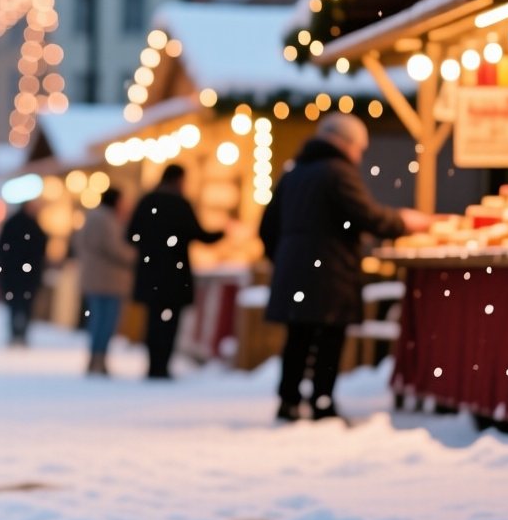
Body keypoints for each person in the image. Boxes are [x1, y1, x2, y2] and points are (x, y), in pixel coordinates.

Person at [261, 114, 432, 422]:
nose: (359, 156)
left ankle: (288, 401)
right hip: (329, 271)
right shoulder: (337, 172)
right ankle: (322, 403)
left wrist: (286, 259)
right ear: (345, 143)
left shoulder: (294, 172)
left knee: (298, 337)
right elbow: (368, 216)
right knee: (329, 338)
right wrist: (404, 221)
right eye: (359, 148)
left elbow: (266, 228)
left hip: (295, 271)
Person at [129, 164, 223, 379]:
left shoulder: (147, 201)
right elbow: (199, 234)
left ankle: (153, 364)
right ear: (178, 179)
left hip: (151, 272)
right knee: (170, 322)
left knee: (153, 320)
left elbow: (131, 234)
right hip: (174, 273)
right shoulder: (180, 204)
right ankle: (162, 365)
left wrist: (149, 247)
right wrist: (222, 233)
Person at [77, 189, 135, 377]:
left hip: (95, 277)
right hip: (109, 279)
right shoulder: (107, 220)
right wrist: (134, 256)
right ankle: (99, 358)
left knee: (97, 319)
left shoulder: (91, 217)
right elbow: (114, 248)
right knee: (106, 321)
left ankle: (95, 358)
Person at [0, 200, 48, 346]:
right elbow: (41, 247)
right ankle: (22, 333)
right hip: (28, 274)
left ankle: (15, 333)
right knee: (26, 304)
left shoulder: (11, 223)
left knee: (14, 304)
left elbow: (1, 248)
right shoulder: (34, 226)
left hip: (12, 273)